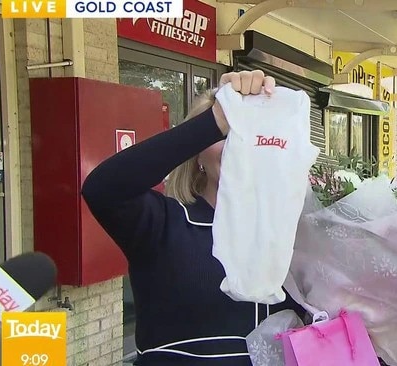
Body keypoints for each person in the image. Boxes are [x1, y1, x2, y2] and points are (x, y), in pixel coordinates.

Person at [81, 70, 304, 366]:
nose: (238, 146)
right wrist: (217, 119)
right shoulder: (164, 223)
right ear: (197, 154)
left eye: (251, 134)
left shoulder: (293, 234)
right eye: (226, 135)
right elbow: (103, 188)